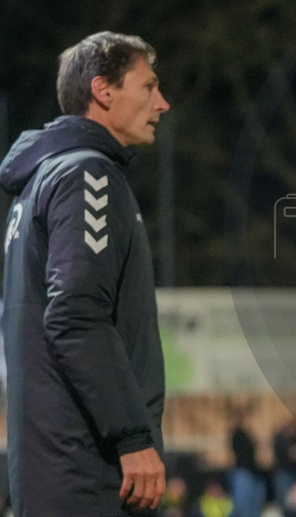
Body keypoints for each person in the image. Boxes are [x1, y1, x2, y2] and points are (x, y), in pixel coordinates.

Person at [0, 31, 169, 516]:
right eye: (148, 86)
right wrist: (132, 437)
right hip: (86, 469)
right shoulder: (87, 175)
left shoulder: (42, 179)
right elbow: (76, 315)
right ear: (103, 91)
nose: (161, 103)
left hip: (52, 465)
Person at [228, 410, 266, 517]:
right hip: (243, 472)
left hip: (251, 471)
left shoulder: (246, 434)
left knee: (254, 505)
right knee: (242, 506)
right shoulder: (237, 435)